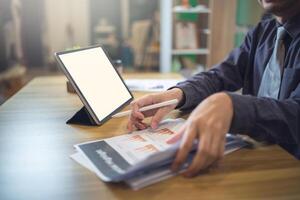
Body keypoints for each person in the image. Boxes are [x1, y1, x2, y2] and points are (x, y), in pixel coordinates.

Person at [127, 0, 300, 178]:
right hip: (258, 158)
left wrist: (233, 105)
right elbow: (219, 75)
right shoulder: (261, 32)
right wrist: (177, 94)